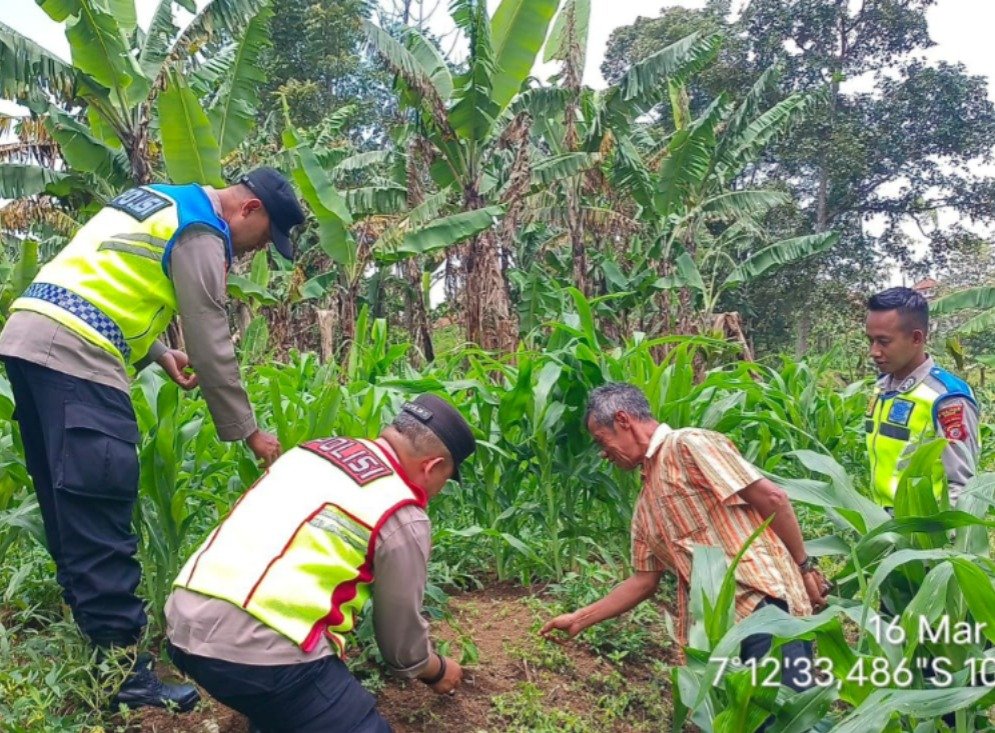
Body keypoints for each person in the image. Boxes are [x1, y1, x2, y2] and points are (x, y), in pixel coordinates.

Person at [0, 168, 306, 710]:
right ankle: (126, 681)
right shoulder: (202, 231)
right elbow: (211, 336)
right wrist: (250, 432)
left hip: (31, 340)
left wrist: (161, 354)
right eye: (261, 242)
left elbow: (101, 278)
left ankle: (100, 660)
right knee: (100, 504)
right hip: (77, 359)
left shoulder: (162, 199)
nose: (253, 254)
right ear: (249, 209)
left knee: (69, 511)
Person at [164, 393, 476, 733]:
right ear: (432, 467)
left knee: (283, 710)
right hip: (258, 655)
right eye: (444, 480)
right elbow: (401, 648)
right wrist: (437, 669)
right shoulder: (401, 512)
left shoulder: (310, 453)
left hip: (183, 623)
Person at [540, 383, 828, 694]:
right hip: (721, 633)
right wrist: (580, 619)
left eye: (601, 439)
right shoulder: (644, 507)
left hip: (765, 610)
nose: (602, 452)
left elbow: (772, 499)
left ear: (623, 420)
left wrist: (805, 568)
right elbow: (643, 581)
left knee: (786, 718)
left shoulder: (688, 445)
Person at [865, 287, 979, 509]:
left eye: (884, 341)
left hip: (922, 531)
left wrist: (943, 538)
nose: (874, 351)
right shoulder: (881, 388)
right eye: (871, 340)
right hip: (880, 524)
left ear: (917, 338)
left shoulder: (947, 398)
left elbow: (963, 485)